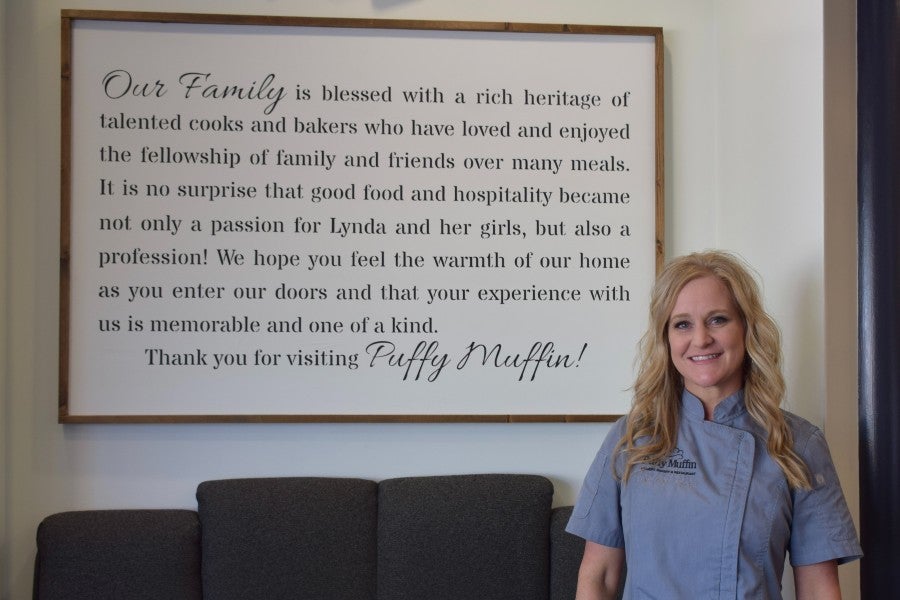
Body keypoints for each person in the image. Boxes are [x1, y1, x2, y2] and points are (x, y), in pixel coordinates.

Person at [566, 250, 862, 599]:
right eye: (682, 324)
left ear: (747, 328)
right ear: (666, 339)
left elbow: (818, 591)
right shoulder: (631, 437)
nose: (701, 338)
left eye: (718, 319)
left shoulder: (798, 443)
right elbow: (598, 577)